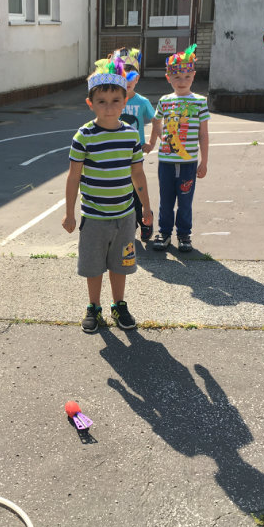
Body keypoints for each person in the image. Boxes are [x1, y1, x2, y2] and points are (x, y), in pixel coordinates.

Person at [62, 58, 153, 333]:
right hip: (94, 218)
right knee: (93, 267)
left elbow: (138, 174)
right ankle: (94, 307)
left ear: (125, 102)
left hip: (124, 216)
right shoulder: (84, 136)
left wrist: (146, 208)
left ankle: (119, 305)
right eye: (101, 101)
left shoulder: (131, 136)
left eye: (115, 100)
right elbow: (73, 177)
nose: (109, 107)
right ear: (90, 103)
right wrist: (69, 213)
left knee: (120, 265)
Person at [145, 45, 210, 252]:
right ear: (168, 78)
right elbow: (156, 121)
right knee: (166, 200)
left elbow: (203, 134)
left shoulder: (199, 102)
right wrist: (154, 141)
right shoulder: (165, 101)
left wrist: (204, 162)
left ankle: (184, 235)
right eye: (177, 77)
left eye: (187, 77)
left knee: (185, 200)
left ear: (193, 76)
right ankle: (164, 233)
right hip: (166, 162)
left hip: (188, 163)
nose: (182, 81)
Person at [113, 47, 156, 242]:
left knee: (135, 188)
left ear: (137, 78)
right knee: (120, 190)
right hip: (115, 153)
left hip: (134, 153)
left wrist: (152, 142)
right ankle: (128, 225)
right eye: (122, 73)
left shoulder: (142, 101)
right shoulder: (113, 101)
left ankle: (144, 219)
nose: (127, 79)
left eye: (131, 74)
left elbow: (156, 120)